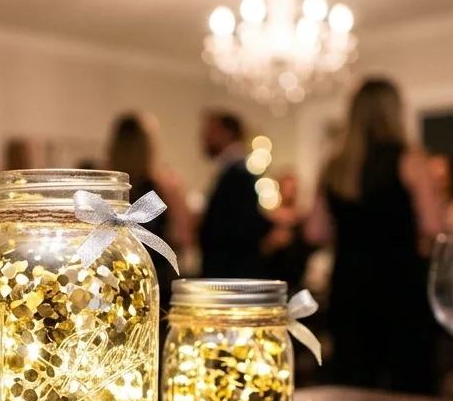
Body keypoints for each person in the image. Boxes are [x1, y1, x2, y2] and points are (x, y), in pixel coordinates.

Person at [305, 77, 445, 394]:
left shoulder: (334, 164)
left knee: (355, 384)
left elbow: (315, 231)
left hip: (350, 286)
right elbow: (435, 226)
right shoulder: (410, 159)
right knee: (409, 384)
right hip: (401, 287)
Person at [106, 112, 192, 310]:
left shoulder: (110, 192)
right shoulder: (165, 188)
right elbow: (181, 238)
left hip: (115, 277)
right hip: (155, 280)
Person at [198, 110, 274, 279]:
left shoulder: (239, 173)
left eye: (210, 131)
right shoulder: (232, 170)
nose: (203, 137)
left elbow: (241, 227)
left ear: (227, 133)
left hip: (231, 275)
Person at [260, 170, 313, 292]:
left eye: (293, 188)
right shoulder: (269, 218)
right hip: (271, 278)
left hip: (295, 280)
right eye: (287, 187)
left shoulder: (302, 219)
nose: (290, 192)